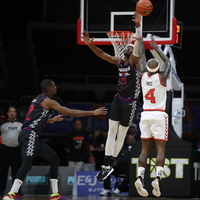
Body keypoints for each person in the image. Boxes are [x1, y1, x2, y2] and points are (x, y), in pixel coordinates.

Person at [2, 79, 108, 200]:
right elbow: (71, 112)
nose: (56, 88)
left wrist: (51, 120)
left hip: (31, 135)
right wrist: (93, 112)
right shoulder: (48, 101)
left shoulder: (38, 99)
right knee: (27, 164)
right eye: (55, 86)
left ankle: (55, 194)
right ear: (50, 89)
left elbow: (34, 118)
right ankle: (11, 194)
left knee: (54, 159)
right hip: (29, 134)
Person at [81, 11, 144, 182]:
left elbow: (138, 44)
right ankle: (106, 166)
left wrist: (138, 26)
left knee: (121, 135)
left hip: (130, 103)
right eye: (128, 46)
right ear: (124, 49)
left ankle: (110, 164)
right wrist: (89, 44)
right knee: (111, 133)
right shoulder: (119, 61)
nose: (130, 46)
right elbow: (102, 54)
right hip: (118, 100)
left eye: (132, 46)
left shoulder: (135, 62)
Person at [134, 36, 171, 197]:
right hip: (159, 114)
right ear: (158, 69)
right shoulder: (162, 76)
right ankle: (157, 178)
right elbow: (168, 63)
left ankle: (140, 177)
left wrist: (140, 40)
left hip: (145, 115)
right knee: (160, 149)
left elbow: (141, 58)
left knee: (144, 151)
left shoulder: (142, 75)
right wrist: (155, 48)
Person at [0, 106, 23, 196]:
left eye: (14, 111)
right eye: (10, 111)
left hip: (17, 150)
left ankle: (17, 191)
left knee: (17, 172)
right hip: (4, 150)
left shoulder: (21, 124)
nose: (12, 113)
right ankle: (1, 190)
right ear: (7, 113)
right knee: (2, 172)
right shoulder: (2, 123)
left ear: (16, 113)